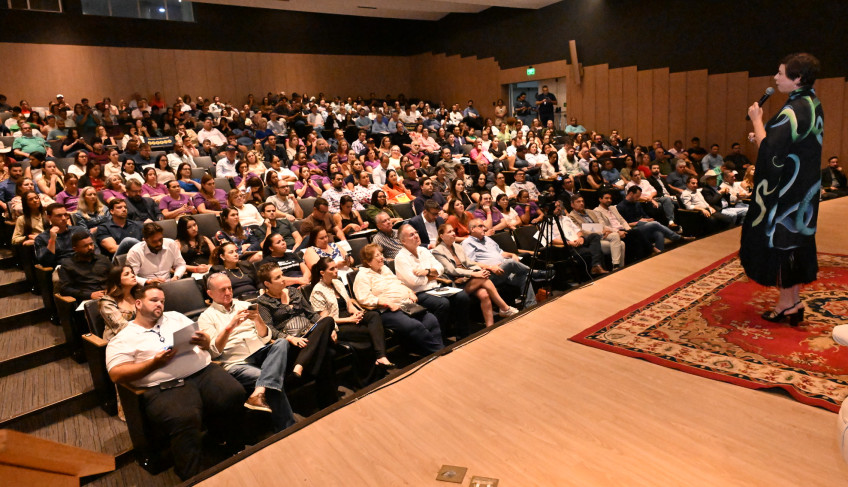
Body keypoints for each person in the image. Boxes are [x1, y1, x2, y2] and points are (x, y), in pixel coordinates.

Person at [106, 283, 245, 481]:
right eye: (154, 300)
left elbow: (205, 340)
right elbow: (116, 373)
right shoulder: (124, 337)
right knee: (185, 417)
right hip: (165, 386)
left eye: (162, 301)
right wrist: (154, 363)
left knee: (234, 392)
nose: (160, 305)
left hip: (202, 371)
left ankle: (232, 446)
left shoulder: (176, 317)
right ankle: (192, 476)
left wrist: (203, 340)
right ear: (138, 303)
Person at [742, 53, 823, 325]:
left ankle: (786, 305)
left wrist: (756, 120)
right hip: (804, 191)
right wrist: (764, 137)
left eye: (781, 73)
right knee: (794, 246)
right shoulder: (812, 103)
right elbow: (788, 147)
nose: (775, 78)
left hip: (788, 194)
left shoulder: (793, 110)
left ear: (797, 78)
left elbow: (770, 155)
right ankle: (792, 303)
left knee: (784, 247)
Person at [198, 272, 294, 431]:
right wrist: (230, 326)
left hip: (260, 351)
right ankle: (288, 427)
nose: (228, 293)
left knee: (282, 342)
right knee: (268, 378)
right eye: (223, 290)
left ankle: (259, 392)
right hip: (236, 362)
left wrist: (257, 319)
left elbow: (264, 337)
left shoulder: (244, 305)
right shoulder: (206, 317)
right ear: (210, 293)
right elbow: (214, 351)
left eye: (229, 288)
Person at [256, 263, 339, 407]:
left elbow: (312, 315)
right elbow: (270, 329)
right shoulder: (263, 302)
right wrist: (290, 338)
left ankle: (300, 365)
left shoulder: (294, 292)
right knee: (326, 352)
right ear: (267, 283)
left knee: (328, 320)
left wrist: (328, 329)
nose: (283, 279)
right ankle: (330, 402)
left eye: (282, 275)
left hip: (311, 334)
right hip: (292, 343)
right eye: (278, 277)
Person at [353, 244, 443, 354]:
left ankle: (436, 349)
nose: (382, 257)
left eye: (381, 254)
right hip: (387, 311)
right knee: (415, 325)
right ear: (368, 261)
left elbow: (398, 283)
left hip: (405, 304)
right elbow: (363, 298)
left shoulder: (384, 268)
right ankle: (438, 351)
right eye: (377, 255)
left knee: (431, 319)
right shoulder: (362, 275)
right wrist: (387, 303)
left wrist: (409, 291)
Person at [309, 257, 394, 369]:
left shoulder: (337, 282)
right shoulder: (317, 291)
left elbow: (349, 305)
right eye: (332, 269)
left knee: (374, 315)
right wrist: (349, 320)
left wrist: (357, 312)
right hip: (337, 324)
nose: (336, 270)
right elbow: (326, 320)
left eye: (336, 267)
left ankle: (381, 357)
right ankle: (374, 364)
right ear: (322, 273)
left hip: (350, 316)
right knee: (370, 331)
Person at [395, 224, 472, 339]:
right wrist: (432, 275)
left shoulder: (423, 250)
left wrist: (426, 271)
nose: (416, 236)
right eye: (411, 235)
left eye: (416, 232)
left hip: (436, 288)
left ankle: (463, 335)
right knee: (443, 303)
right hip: (419, 294)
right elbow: (415, 282)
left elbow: (440, 269)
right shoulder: (400, 258)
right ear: (403, 241)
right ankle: (439, 338)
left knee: (462, 296)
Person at [462, 219, 536, 308]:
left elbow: (501, 253)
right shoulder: (467, 243)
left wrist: (512, 254)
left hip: (504, 271)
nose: (484, 228)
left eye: (484, 226)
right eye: (481, 226)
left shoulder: (488, 239)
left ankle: (531, 306)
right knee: (510, 262)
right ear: (472, 229)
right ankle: (535, 272)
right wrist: (490, 267)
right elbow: (471, 263)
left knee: (524, 277)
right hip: (490, 274)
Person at [617, 186, 690, 252]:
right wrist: (640, 221)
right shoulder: (620, 207)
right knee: (655, 224)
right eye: (637, 196)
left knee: (659, 233)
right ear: (631, 193)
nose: (638, 198)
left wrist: (648, 219)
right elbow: (625, 224)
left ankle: (660, 254)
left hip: (644, 225)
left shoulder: (637, 203)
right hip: (633, 228)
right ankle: (678, 237)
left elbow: (644, 214)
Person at [569, 195, 625, 270]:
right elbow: (581, 231)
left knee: (616, 237)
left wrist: (607, 230)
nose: (581, 203)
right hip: (591, 240)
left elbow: (600, 224)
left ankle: (617, 266)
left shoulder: (590, 212)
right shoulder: (571, 216)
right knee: (620, 244)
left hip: (601, 233)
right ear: (572, 204)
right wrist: (601, 232)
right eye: (578, 202)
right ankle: (617, 267)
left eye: (582, 201)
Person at [56, 231, 111, 302]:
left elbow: (115, 277)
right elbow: (65, 289)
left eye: (91, 244)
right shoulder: (68, 265)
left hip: (109, 295)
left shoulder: (103, 259)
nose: (90, 248)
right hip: (88, 300)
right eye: (85, 246)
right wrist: (89, 295)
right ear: (75, 249)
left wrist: (110, 289)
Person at [34, 203, 88, 267]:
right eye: (59, 216)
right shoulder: (41, 238)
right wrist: (52, 240)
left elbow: (94, 250)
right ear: (49, 217)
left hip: (84, 264)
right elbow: (46, 262)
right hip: (62, 268)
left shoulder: (79, 230)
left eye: (65, 215)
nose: (64, 218)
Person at [98, 265, 140, 341]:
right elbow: (121, 326)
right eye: (127, 274)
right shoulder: (107, 302)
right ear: (118, 281)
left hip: (141, 336)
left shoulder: (138, 295)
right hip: (118, 340)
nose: (133, 275)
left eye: (132, 272)